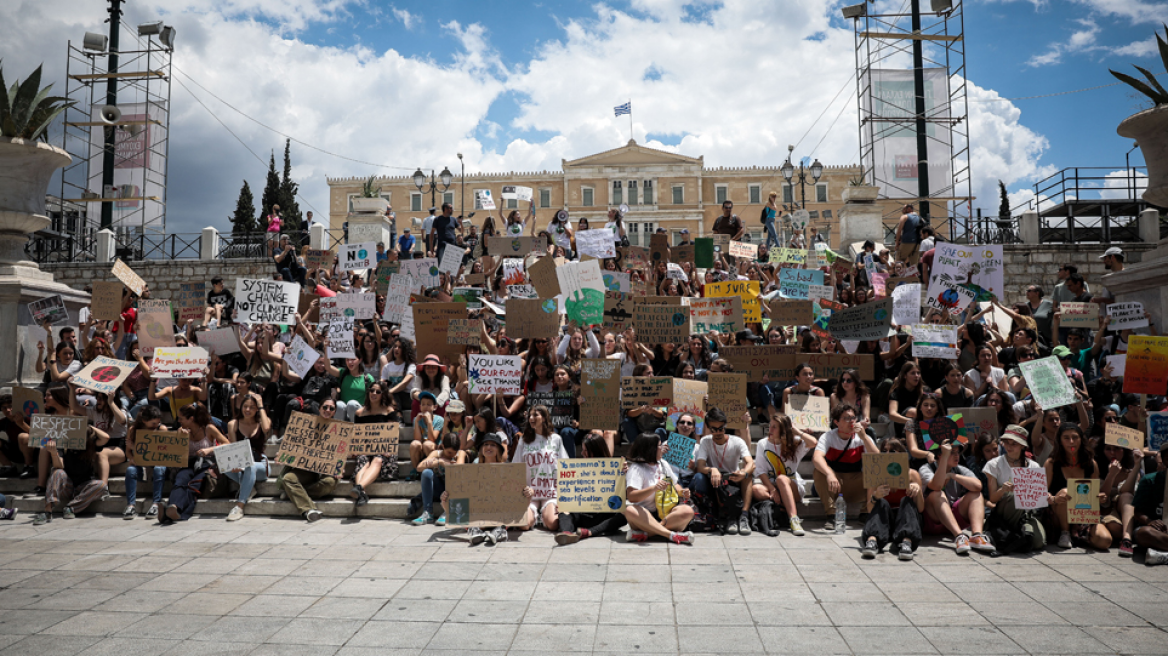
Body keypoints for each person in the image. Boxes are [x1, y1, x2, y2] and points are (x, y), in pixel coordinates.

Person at [920, 441, 995, 554]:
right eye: (952, 452)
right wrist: (945, 457)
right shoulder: (926, 468)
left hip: (954, 518)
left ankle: (976, 536)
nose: (957, 456)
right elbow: (936, 486)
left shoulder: (959, 469)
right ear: (940, 455)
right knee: (937, 493)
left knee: (976, 494)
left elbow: (978, 486)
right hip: (933, 521)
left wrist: (952, 475)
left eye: (958, 452)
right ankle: (959, 536)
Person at [1045, 423, 1111, 550]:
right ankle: (1065, 533)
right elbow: (1042, 493)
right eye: (1066, 438)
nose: (1071, 442)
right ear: (1060, 441)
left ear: (1081, 439)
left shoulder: (1091, 463)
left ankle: (1079, 535)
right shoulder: (1051, 463)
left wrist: (1100, 498)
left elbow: (1094, 493)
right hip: (1058, 514)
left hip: (1083, 512)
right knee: (1066, 491)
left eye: (1075, 437)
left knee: (1105, 541)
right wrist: (1053, 498)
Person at [812, 403, 877, 529]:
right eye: (846, 418)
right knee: (818, 471)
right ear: (836, 422)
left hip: (856, 484)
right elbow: (816, 458)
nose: (851, 421)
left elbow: (878, 458)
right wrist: (830, 474)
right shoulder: (828, 436)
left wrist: (864, 438)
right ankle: (831, 515)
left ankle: (865, 512)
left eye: (853, 418)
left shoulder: (863, 437)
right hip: (835, 485)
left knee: (875, 470)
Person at [982, 425, 1047, 553]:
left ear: (1023, 446)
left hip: (1026, 514)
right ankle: (1015, 534)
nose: (1009, 446)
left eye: (1014, 443)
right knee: (1013, 496)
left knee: (1039, 543)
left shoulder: (1034, 466)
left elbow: (1038, 500)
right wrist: (1003, 490)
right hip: (1003, 512)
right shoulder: (994, 464)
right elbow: (993, 498)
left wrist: (1048, 498)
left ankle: (1017, 533)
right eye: (1006, 442)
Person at [622, 433, 695, 544]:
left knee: (687, 511)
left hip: (666, 515)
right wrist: (653, 489)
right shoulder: (637, 469)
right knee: (630, 510)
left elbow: (675, 484)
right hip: (645, 516)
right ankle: (671, 535)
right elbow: (632, 497)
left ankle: (649, 533)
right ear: (650, 449)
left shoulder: (663, 464)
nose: (663, 448)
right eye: (660, 445)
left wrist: (681, 492)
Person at [692, 408, 755, 535]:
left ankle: (744, 514)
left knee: (748, 475)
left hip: (732, 478)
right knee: (699, 476)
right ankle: (719, 514)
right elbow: (700, 466)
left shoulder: (737, 441)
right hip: (715, 479)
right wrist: (712, 469)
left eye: (721, 428)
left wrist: (744, 473)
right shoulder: (706, 441)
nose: (718, 432)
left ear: (726, 426)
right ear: (709, 428)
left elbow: (750, 463)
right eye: (713, 429)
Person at [860, 438, 925, 560]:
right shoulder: (876, 474)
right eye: (885, 451)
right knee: (882, 502)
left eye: (893, 451)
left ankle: (907, 543)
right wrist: (875, 496)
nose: (888, 454)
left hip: (907, 520)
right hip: (885, 521)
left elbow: (920, 509)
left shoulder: (912, 474)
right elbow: (870, 509)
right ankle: (872, 541)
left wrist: (917, 490)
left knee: (906, 501)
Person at [32, 425, 111, 525]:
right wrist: (54, 453)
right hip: (67, 485)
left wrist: (86, 424)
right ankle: (48, 511)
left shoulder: (91, 444)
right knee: (57, 472)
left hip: (84, 485)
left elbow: (106, 437)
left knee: (101, 485)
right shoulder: (64, 444)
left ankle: (71, 507)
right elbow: (59, 465)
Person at [752, 414, 816, 536]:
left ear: (783, 430)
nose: (770, 430)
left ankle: (794, 519)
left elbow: (813, 442)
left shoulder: (794, 443)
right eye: (770, 426)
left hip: (792, 487)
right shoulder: (762, 444)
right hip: (774, 486)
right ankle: (784, 507)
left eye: (774, 427)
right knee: (756, 489)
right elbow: (760, 471)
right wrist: (771, 489)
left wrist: (797, 431)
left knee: (781, 478)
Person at [277, 399, 339, 523]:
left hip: (325, 470)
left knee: (330, 482)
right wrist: (283, 455)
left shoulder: (339, 430)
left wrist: (338, 469)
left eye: (331, 409)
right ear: (319, 408)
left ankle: (293, 493)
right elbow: (292, 446)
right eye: (325, 407)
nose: (328, 410)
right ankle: (309, 510)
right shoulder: (305, 425)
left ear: (334, 412)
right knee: (289, 478)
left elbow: (339, 455)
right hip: (306, 469)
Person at [511, 405, 568, 531]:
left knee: (553, 524)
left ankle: (544, 515)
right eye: (529, 415)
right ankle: (534, 516)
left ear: (544, 418)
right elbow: (516, 466)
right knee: (523, 525)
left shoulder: (556, 439)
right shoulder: (524, 440)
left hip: (550, 492)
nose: (531, 418)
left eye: (535, 415)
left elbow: (565, 465)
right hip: (530, 494)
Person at [222, 392, 271, 521]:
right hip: (242, 463)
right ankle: (249, 487)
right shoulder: (233, 424)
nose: (248, 410)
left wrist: (260, 404)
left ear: (257, 409)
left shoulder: (262, 422)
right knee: (221, 463)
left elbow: (266, 428)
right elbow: (233, 447)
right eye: (245, 406)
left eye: (252, 407)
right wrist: (235, 463)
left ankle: (239, 506)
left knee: (251, 466)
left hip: (260, 463)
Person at [123, 406, 169, 520]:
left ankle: (156, 504)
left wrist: (135, 448)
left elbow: (162, 451)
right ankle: (130, 505)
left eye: (158, 422)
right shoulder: (133, 430)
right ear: (144, 421)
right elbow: (128, 451)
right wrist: (132, 458)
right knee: (130, 470)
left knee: (159, 469)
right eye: (153, 423)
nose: (156, 425)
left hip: (158, 463)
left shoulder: (161, 429)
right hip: (140, 463)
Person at [412, 432, 464, 526]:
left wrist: (442, 463)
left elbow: (458, 470)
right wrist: (435, 462)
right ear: (443, 446)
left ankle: (448, 511)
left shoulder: (461, 454)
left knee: (454, 475)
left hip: (454, 491)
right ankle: (428, 513)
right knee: (426, 473)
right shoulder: (436, 453)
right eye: (449, 452)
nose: (452, 455)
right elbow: (419, 467)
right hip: (439, 489)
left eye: (454, 452)